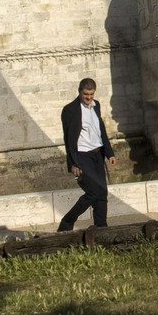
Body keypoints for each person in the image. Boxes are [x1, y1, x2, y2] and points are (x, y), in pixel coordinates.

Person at [57, 78, 116, 231]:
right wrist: (73, 164)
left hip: (97, 155)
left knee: (102, 193)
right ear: (79, 92)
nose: (88, 98)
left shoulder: (96, 106)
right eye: (85, 95)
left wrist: (109, 153)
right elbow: (68, 139)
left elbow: (100, 130)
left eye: (91, 94)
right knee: (92, 192)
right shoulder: (70, 110)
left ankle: (101, 228)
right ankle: (67, 222)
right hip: (82, 157)